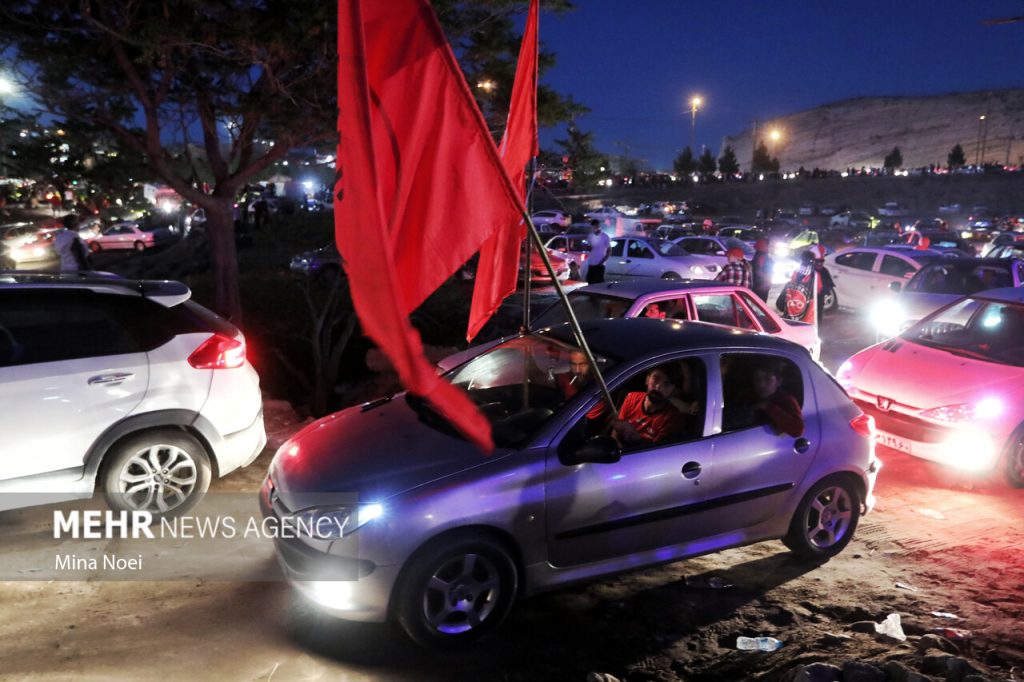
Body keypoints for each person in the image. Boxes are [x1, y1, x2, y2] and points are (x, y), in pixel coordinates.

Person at [611, 365, 688, 446]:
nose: (658, 387)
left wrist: (636, 438)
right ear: (647, 380)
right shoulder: (631, 397)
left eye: (667, 384)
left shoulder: (673, 418)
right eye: (656, 379)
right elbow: (615, 433)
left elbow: (658, 451)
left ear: (673, 390)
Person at [586, 219, 611, 284]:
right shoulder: (590, 236)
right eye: (593, 227)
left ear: (599, 226)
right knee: (590, 282)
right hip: (591, 264)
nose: (595, 228)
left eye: (596, 226)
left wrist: (602, 262)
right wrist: (587, 247)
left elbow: (609, 251)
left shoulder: (605, 237)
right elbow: (589, 248)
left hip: (600, 264)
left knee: (599, 283)